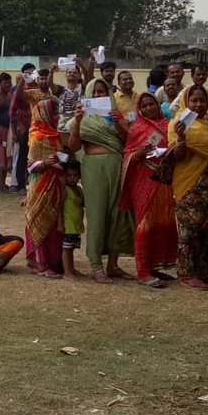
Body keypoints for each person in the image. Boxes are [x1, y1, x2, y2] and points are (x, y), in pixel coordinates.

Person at [68, 79, 135, 283]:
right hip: (93, 168)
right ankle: (96, 265)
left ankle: (113, 264)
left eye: (102, 92)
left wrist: (118, 124)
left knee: (118, 214)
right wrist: (78, 122)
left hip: (116, 165)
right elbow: (72, 146)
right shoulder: (81, 118)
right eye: (95, 92)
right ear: (89, 94)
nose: (98, 95)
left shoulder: (116, 116)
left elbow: (128, 141)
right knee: (96, 215)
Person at [167, 85, 208, 291]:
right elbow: (176, 156)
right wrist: (182, 139)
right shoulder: (177, 124)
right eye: (194, 100)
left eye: (202, 100)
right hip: (190, 182)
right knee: (191, 227)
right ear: (186, 102)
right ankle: (188, 273)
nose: (199, 104)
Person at [119, 93, 178, 288]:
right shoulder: (137, 128)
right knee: (144, 224)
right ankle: (143, 272)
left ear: (157, 104)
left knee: (162, 222)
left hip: (164, 181)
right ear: (139, 110)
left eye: (151, 104)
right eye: (143, 106)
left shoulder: (168, 125)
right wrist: (138, 154)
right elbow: (127, 154)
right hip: (143, 180)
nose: (148, 109)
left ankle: (155, 267)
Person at [25, 99, 65, 278]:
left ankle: (53, 261)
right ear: (45, 114)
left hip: (56, 183)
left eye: (57, 113)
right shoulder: (37, 136)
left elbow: (62, 158)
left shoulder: (55, 135)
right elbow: (30, 165)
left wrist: (60, 163)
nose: (57, 117)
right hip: (40, 185)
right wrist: (45, 163)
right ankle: (40, 263)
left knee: (54, 223)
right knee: (39, 220)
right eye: (54, 113)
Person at [61, 161, 85, 279]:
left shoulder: (79, 189)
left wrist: (82, 201)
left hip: (76, 225)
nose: (72, 178)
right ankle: (66, 272)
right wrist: (60, 224)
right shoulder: (65, 189)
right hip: (68, 225)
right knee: (66, 248)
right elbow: (59, 207)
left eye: (75, 175)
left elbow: (83, 204)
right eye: (69, 175)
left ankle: (71, 268)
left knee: (72, 248)